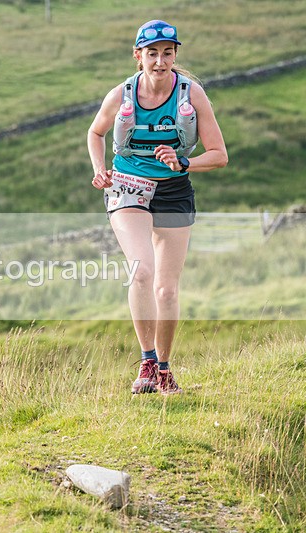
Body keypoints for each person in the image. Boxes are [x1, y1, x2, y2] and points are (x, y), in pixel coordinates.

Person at [87, 20, 228, 394]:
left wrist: (184, 163)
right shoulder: (121, 95)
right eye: (152, 54)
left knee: (166, 291)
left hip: (174, 191)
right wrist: (100, 169)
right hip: (129, 187)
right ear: (138, 57)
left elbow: (219, 155)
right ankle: (146, 362)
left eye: (167, 53)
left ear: (175, 55)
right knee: (141, 271)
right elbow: (95, 132)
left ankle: (164, 369)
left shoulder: (191, 95)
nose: (160, 62)